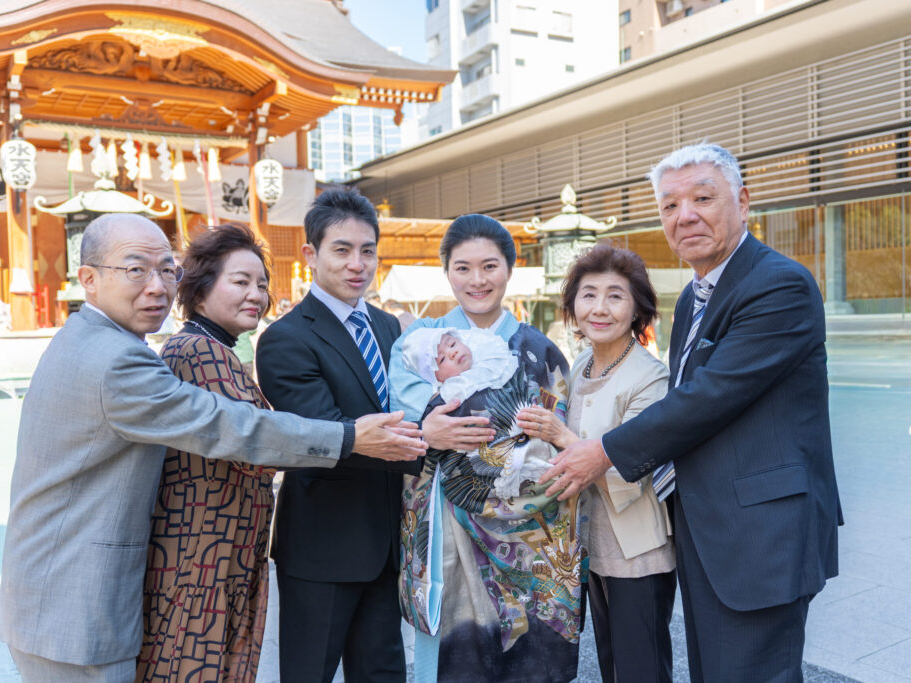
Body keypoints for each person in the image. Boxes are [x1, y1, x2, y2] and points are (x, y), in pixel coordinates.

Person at [0, 213, 425, 683]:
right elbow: (234, 429)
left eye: (166, 270)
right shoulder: (136, 357)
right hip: (84, 599)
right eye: (136, 269)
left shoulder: (101, 342)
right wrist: (353, 435)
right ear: (89, 280)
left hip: (92, 587)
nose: (156, 286)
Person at [541, 143, 842, 682]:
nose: (685, 216)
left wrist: (602, 453)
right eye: (670, 206)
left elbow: (706, 398)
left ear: (743, 201)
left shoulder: (778, 285)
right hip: (709, 529)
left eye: (703, 197)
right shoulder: (694, 296)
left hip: (760, 534)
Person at [388, 214, 585, 683]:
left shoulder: (540, 350)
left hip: (531, 524)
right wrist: (438, 428)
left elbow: (557, 437)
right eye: (463, 268)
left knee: (531, 656)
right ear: (447, 271)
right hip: (448, 516)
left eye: (490, 266)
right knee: (453, 651)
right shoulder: (419, 343)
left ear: (509, 269)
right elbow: (410, 414)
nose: (477, 280)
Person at [255, 188, 421, 683]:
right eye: (342, 250)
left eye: (367, 250)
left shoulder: (389, 326)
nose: (358, 264)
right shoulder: (287, 338)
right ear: (311, 254)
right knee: (310, 674)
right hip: (323, 548)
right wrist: (423, 440)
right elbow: (322, 439)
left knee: (384, 674)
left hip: (386, 542)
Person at [517, 243, 675, 682]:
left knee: (641, 668)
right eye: (588, 295)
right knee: (609, 663)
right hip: (587, 545)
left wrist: (558, 435)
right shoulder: (581, 364)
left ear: (637, 307)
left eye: (615, 295)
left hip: (636, 550)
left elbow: (633, 471)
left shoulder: (650, 377)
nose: (599, 308)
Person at [136, 223, 278, 682]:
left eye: (261, 283)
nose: (256, 294)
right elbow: (264, 445)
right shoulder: (200, 352)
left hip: (208, 553)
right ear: (198, 292)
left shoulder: (204, 348)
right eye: (240, 282)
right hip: (203, 560)